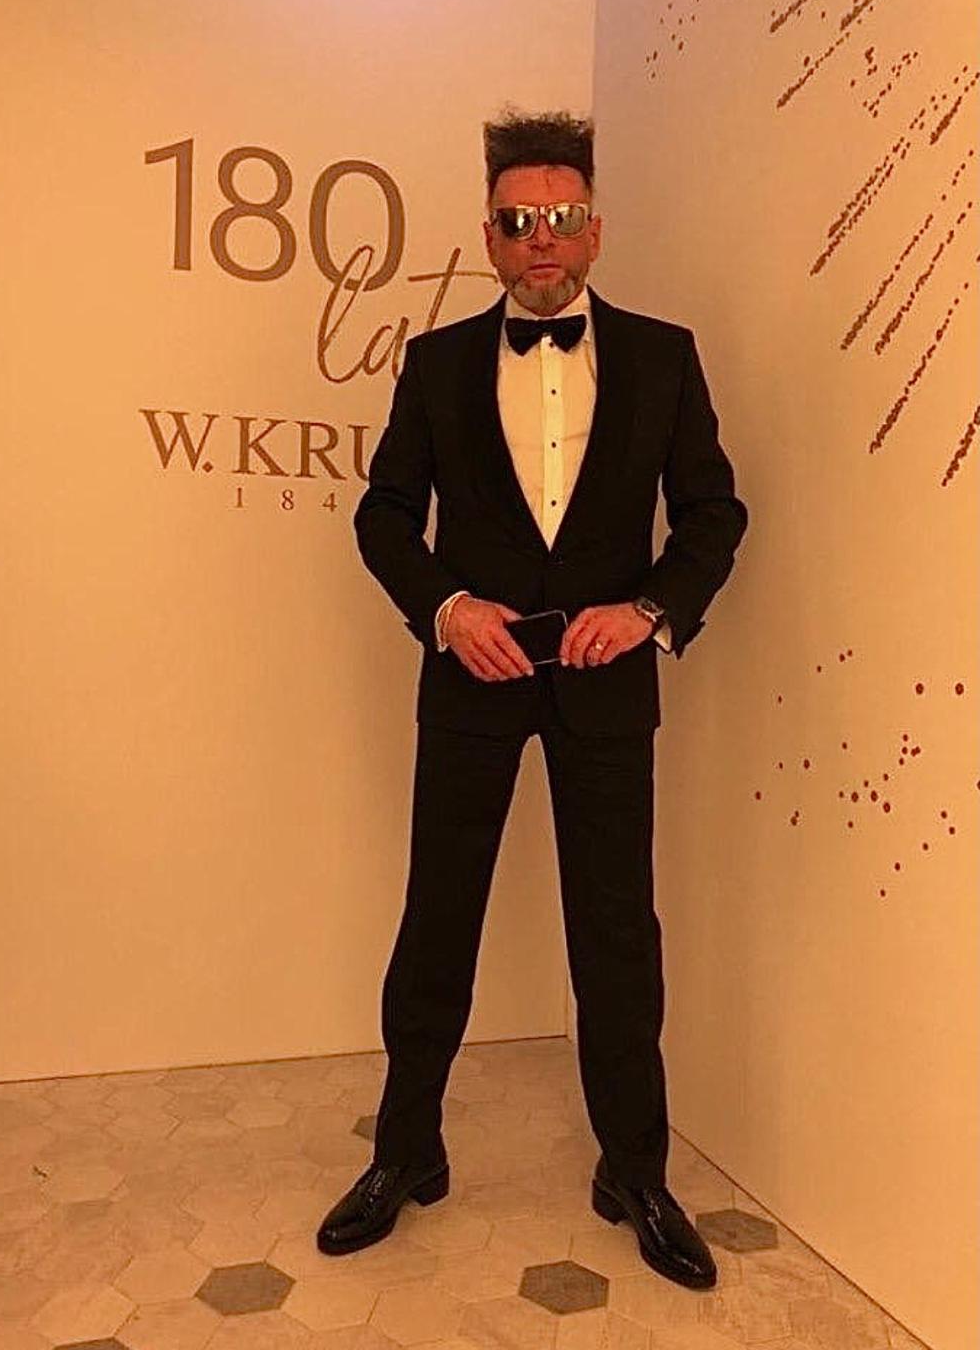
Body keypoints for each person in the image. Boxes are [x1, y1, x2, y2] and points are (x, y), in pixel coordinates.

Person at [317, 110, 747, 1291]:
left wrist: (649, 609)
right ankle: (404, 1152)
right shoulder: (436, 363)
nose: (540, 238)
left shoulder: (663, 356)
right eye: (518, 222)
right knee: (437, 918)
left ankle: (634, 1170)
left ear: (593, 230)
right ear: (491, 237)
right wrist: (448, 607)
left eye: (560, 217)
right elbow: (384, 515)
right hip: (473, 678)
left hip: (607, 687)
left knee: (617, 932)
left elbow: (713, 512)